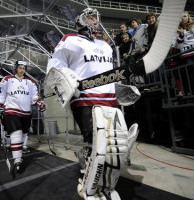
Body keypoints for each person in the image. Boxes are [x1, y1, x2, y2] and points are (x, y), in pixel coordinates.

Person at [46, 8, 139, 199]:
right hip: (85, 97)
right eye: (90, 18)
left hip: (108, 98)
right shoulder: (70, 39)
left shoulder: (105, 45)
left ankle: (106, 185)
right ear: (81, 20)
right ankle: (90, 184)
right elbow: (55, 66)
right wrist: (67, 83)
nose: (94, 21)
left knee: (114, 146)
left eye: (96, 18)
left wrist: (118, 88)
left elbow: (108, 71)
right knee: (97, 144)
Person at [0, 61, 46, 174]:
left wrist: (39, 102)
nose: (22, 70)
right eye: (20, 68)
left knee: (23, 134)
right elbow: (1, 95)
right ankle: (17, 159)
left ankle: (19, 155)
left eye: (23, 68)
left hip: (26, 112)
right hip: (11, 110)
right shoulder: (7, 79)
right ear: (15, 68)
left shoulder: (30, 82)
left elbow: (34, 96)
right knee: (16, 134)